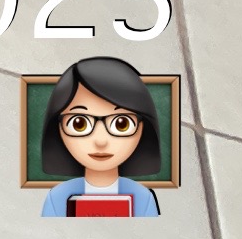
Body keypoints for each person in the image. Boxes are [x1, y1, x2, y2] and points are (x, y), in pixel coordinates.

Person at [36, 57, 164, 217]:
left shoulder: (144, 199)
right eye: (79, 123)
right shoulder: (56, 198)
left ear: (141, 129)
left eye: (121, 124)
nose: (101, 141)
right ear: (59, 128)